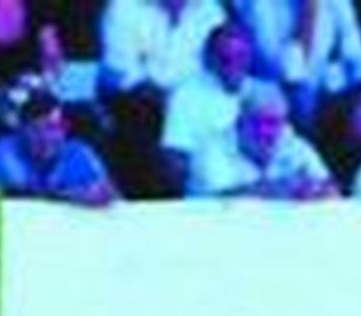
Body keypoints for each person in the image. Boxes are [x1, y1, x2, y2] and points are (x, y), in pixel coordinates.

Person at [234, 0, 361, 184]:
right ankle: (313, 179)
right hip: (272, 90)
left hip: (323, 89)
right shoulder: (258, 5)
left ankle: (349, 186)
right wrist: (306, 17)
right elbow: (278, 67)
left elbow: (356, 51)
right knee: (302, 101)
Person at [99, 0, 229, 196]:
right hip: (139, 104)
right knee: (140, 120)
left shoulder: (210, 9)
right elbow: (123, 75)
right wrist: (175, 105)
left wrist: (187, 104)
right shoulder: (123, 7)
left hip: (197, 100)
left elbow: (218, 65)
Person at [160, 21, 266, 195]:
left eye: (241, 57)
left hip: (261, 192)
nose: (234, 65)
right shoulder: (186, 95)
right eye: (226, 58)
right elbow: (175, 157)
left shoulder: (263, 92)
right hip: (210, 195)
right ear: (210, 59)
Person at [187, 80, 339, 198]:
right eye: (262, 122)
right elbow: (220, 200)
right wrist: (280, 190)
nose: (270, 132)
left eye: (276, 123)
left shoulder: (293, 144)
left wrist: (318, 191)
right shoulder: (211, 150)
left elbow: (331, 188)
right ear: (241, 122)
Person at [0, 88, 118, 205]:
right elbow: (6, 200)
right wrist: (68, 196)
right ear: (23, 130)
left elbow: (108, 193)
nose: (50, 137)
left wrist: (93, 194)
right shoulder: (4, 152)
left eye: (56, 128)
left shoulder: (78, 151)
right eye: (40, 129)